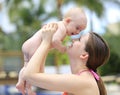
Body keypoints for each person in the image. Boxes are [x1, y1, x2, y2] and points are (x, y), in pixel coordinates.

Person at [21, 23, 110, 95]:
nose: (73, 39)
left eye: (79, 39)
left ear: (84, 55)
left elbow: (29, 76)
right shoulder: (83, 79)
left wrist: (46, 42)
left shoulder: (83, 81)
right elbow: (37, 76)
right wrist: (47, 45)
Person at [16, 7, 87, 95]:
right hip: (35, 47)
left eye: (80, 30)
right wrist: (62, 48)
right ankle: (29, 89)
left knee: (27, 67)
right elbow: (54, 40)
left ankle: (20, 83)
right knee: (37, 73)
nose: (78, 32)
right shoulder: (62, 28)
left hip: (29, 45)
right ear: (68, 21)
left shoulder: (60, 26)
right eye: (77, 28)